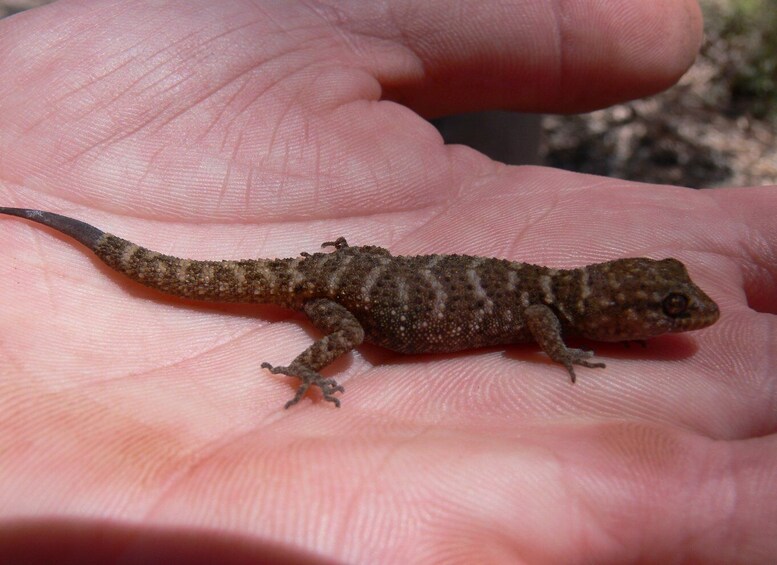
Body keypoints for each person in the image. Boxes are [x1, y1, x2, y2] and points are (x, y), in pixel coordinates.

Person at [0, 1, 774, 562]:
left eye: (671, 302)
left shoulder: (550, 301)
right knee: (341, 335)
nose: (687, 314)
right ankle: (306, 364)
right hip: (351, 295)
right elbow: (544, 337)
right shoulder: (549, 317)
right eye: (670, 304)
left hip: (361, 269)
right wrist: (569, 352)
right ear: (613, 301)